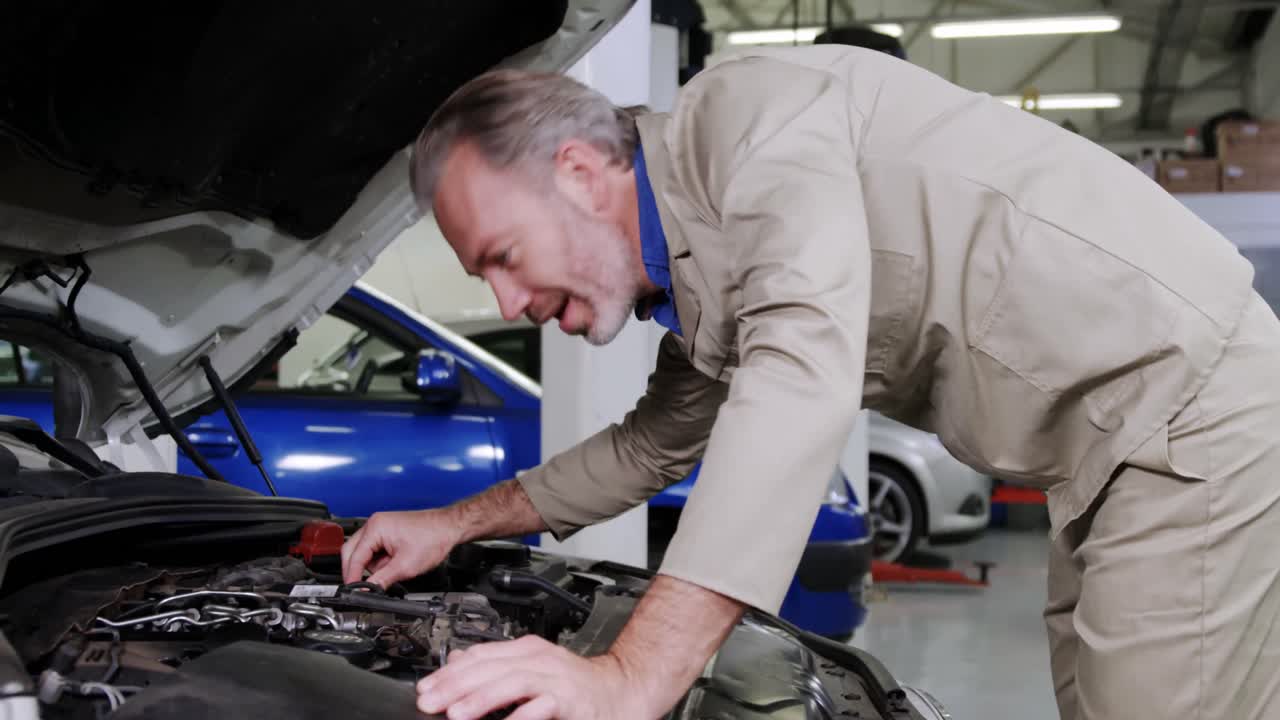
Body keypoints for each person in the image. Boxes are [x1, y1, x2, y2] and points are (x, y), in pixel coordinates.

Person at [341, 43, 1280, 720]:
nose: (511, 299)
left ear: (581, 173)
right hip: (1109, 452)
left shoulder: (747, 126)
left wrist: (634, 674)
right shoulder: (704, 273)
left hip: (1182, 408)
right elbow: (645, 447)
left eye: (502, 255)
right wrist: (450, 522)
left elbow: (800, 371)